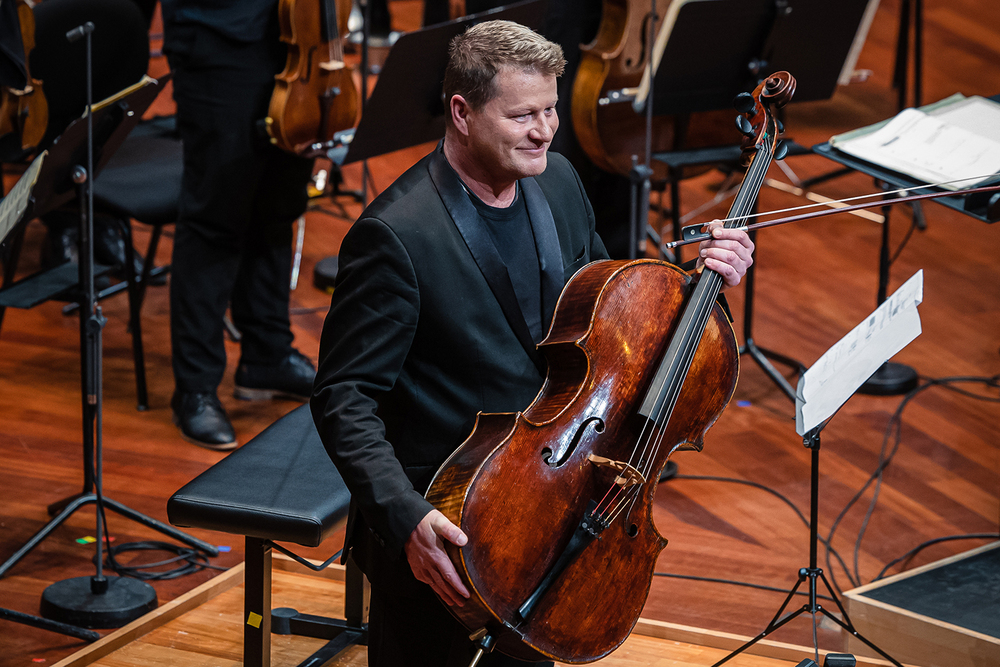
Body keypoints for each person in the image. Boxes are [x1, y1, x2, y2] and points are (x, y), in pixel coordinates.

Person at [310, 20, 754, 666]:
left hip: (553, 506)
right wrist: (406, 518)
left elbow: (616, 321)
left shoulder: (560, 182)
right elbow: (343, 397)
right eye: (523, 115)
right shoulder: (395, 235)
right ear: (461, 112)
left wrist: (703, 284)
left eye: (550, 108)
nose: (545, 128)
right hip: (449, 526)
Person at [161, 0, 317, 449]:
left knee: (279, 203)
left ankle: (266, 353)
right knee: (216, 216)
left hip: (297, 34)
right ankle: (194, 387)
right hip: (219, 39)